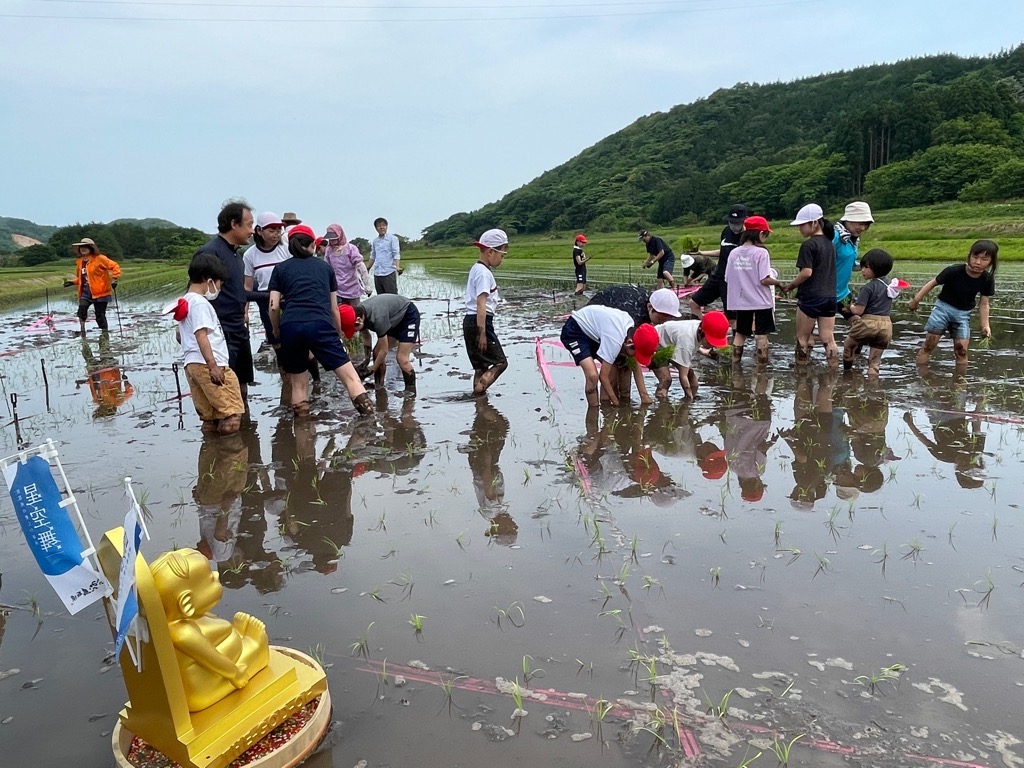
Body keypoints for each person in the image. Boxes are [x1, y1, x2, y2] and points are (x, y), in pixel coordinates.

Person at [267, 225, 374, 417]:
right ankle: (370, 421)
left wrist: (276, 330)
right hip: (320, 324)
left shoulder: (280, 269)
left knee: (299, 385)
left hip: (290, 327)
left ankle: (303, 436)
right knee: (351, 378)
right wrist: (338, 331)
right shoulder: (324, 267)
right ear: (312, 245)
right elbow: (334, 308)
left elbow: (274, 306)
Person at [191, 201, 256, 404]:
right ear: (234, 224)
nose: (252, 231)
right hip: (220, 330)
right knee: (226, 387)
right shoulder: (210, 253)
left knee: (242, 382)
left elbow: (240, 293)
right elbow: (194, 291)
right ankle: (228, 431)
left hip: (238, 327)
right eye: (248, 224)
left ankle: (246, 429)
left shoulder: (238, 256)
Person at [173, 253, 245, 435]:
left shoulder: (185, 300)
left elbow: (179, 335)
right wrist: (213, 366)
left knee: (210, 416)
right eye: (219, 283)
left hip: (192, 365)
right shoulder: (199, 303)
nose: (219, 288)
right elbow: (201, 335)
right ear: (209, 280)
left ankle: (211, 457)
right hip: (211, 365)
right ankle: (231, 458)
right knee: (232, 413)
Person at [908, 240, 997, 370]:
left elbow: (984, 304)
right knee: (929, 345)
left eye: (984, 259)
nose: (978, 262)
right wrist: (916, 300)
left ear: (991, 262)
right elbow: (932, 283)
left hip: (962, 314)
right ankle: (921, 375)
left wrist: (985, 325)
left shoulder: (987, 279)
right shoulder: (954, 271)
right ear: (969, 256)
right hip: (942, 309)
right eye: (975, 257)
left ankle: (960, 385)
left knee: (961, 351)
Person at [782, 203, 838, 367]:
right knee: (828, 338)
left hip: (811, 297)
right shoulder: (830, 244)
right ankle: (834, 370)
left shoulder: (809, 245)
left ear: (814, 223)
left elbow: (807, 272)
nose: (800, 228)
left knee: (802, 338)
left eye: (802, 224)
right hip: (830, 297)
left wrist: (790, 286)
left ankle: (800, 371)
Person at [724, 216, 782, 365]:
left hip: (741, 302)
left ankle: (735, 365)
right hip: (761, 301)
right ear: (760, 233)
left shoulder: (734, 253)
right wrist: (779, 283)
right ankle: (763, 368)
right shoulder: (761, 253)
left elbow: (727, 278)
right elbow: (764, 279)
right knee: (761, 336)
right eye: (766, 234)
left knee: (740, 334)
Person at [560, 304, 641, 406]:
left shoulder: (630, 326)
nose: (633, 356)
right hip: (575, 330)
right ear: (629, 342)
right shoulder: (615, 340)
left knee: (612, 369)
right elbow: (603, 376)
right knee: (592, 376)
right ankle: (593, 411)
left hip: (594, 333)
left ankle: (605, 405)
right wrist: (616, 403)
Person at [343, 294, 420, 393]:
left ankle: (411, 391)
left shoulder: (378, 318)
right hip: (392, 319)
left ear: (358, 320)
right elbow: (367, 337)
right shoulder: (359, 313)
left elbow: (384, 350)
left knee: (402, 359)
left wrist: (371, 370)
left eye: (354, 329)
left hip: (408, 315)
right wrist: (366, 361)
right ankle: (379, 385)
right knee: (376, 352)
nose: (354, 332)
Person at [843, 248, 902, 376]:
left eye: (866, 267)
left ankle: (847, 373)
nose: (862, 270)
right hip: (886, 325)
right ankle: (873, 388)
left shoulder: (868, 287)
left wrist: (850, 307)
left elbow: (859, 311)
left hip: (868, 323)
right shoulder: (891, 285)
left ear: (877, 268)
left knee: (849, 345)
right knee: (875, 362)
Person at [644, 311, 730, 399]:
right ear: (701, 332)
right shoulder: (687, 339)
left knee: (692, 376)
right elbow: (683, 376)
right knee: (666, 380)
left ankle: (692, 395)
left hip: (670, 344)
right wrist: (689, 400)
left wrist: (704, 352)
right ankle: (662, 405)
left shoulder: (698, 326)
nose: (713, 345)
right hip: (653, 343)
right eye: (710, 342)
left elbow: (691, 342)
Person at [464, 228, 509, 396]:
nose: (501, 259)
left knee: (480, 367)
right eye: (502, 255)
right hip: (480, 321)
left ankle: (479, 404)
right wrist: (482, 333)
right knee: (501, 363)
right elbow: (481, 304)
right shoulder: (484, 273)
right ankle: (479, 393)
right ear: (491, 252)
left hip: (470, 321)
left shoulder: (476, 269)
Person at [689, 204, 749, 320]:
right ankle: (702, 331)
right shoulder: (726, 231)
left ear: (744, 221)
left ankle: (735, 336)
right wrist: (701, 253)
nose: (733, 226)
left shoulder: (748, 236)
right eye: (731, 222)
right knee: (693, 303)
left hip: (734, 280)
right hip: (718, 275)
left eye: (737, 223)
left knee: (732, 317)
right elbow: (723, 251)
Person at [242, 212, 289, 350]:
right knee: (277, 345)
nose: (276, 234)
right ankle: (283, 371)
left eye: (279, 230)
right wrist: (245, 314)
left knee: (294, 344)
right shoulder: (250, 255)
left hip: (287, 302)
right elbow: (247, 288)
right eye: (271, 230)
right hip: (265, 303)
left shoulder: (286, 250)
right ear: (259, 231)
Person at [65, 237, 121, 335]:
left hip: (101, 292)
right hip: (86, 292)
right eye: (81, 247)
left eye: (86, 247)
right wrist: (72, 282)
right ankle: (83, 331)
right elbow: (82, 278)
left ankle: (104, 332)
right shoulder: (79, 262)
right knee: (82, 309)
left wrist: (114, 278)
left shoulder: (100, 259)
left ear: (91, 248)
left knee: (99, 315)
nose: (83, 248)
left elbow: (115, 266)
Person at [833, 201, 874, 318]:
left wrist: (871, 267)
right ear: (848, 220)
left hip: (842, 293)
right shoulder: (835, 236)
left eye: (866, 224)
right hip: (825, 294)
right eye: (860, 223)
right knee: (821, 333)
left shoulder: (853, 240)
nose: (863, 228)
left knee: (861, 324)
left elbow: (849, 264)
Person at [324, 224, 371, 308]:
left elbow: (361, 267)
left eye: (334, 237)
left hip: (352, 288)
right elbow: (326, 269)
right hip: (337, 289)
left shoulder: (350, 249)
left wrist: (367, 285)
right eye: (330, 238)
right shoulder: (328, 251)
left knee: (355, 313)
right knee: (339, 312)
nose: (332, 240)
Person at [368, 216, 401, 295]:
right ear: (376, 228)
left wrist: (397, 267)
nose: (381, 227)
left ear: (386, 226)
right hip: (377, 273)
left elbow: (396, 253)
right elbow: (373, 255)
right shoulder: (375, 241)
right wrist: (367, 268)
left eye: (383, 225)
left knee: (392, 297)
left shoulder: (393, 239)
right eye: (379, 226)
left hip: (388, 272)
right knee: (381, 297)